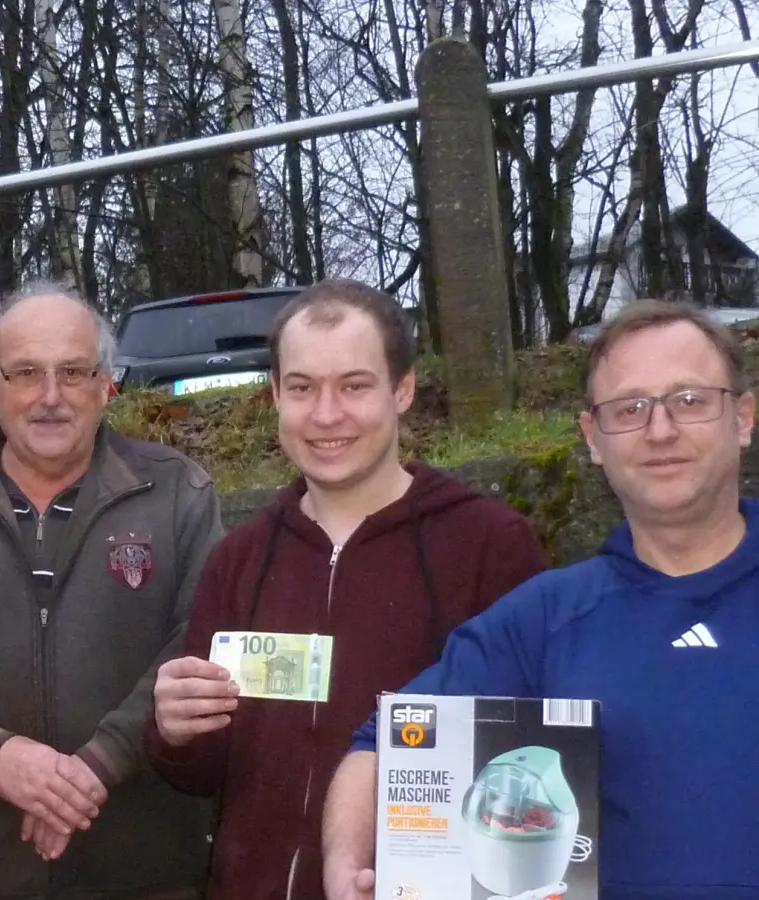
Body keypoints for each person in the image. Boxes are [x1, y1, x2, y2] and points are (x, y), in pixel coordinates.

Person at [323, 299, 759, 900]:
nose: (660, 430)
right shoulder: (543, 621)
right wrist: (348, 867)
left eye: (689, 400)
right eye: (629, 409)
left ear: (742, 416)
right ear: (593, 438)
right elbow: (385, 742)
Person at [145, 279, 548, 900]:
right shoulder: (238, 560)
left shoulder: (490, 546)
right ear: (276, 394)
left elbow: (532, 764)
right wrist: (175, 731)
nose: (326, 415)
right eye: (302, 388)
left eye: (354, 386)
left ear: (402, 390)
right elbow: (203, 775)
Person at [0, 284, 225, 899]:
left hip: (148, 875)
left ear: (108, 382)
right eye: (26, 372)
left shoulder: (180, 497)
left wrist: (98, 764)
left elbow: (201, 647)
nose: (50, 397)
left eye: (74, 372)